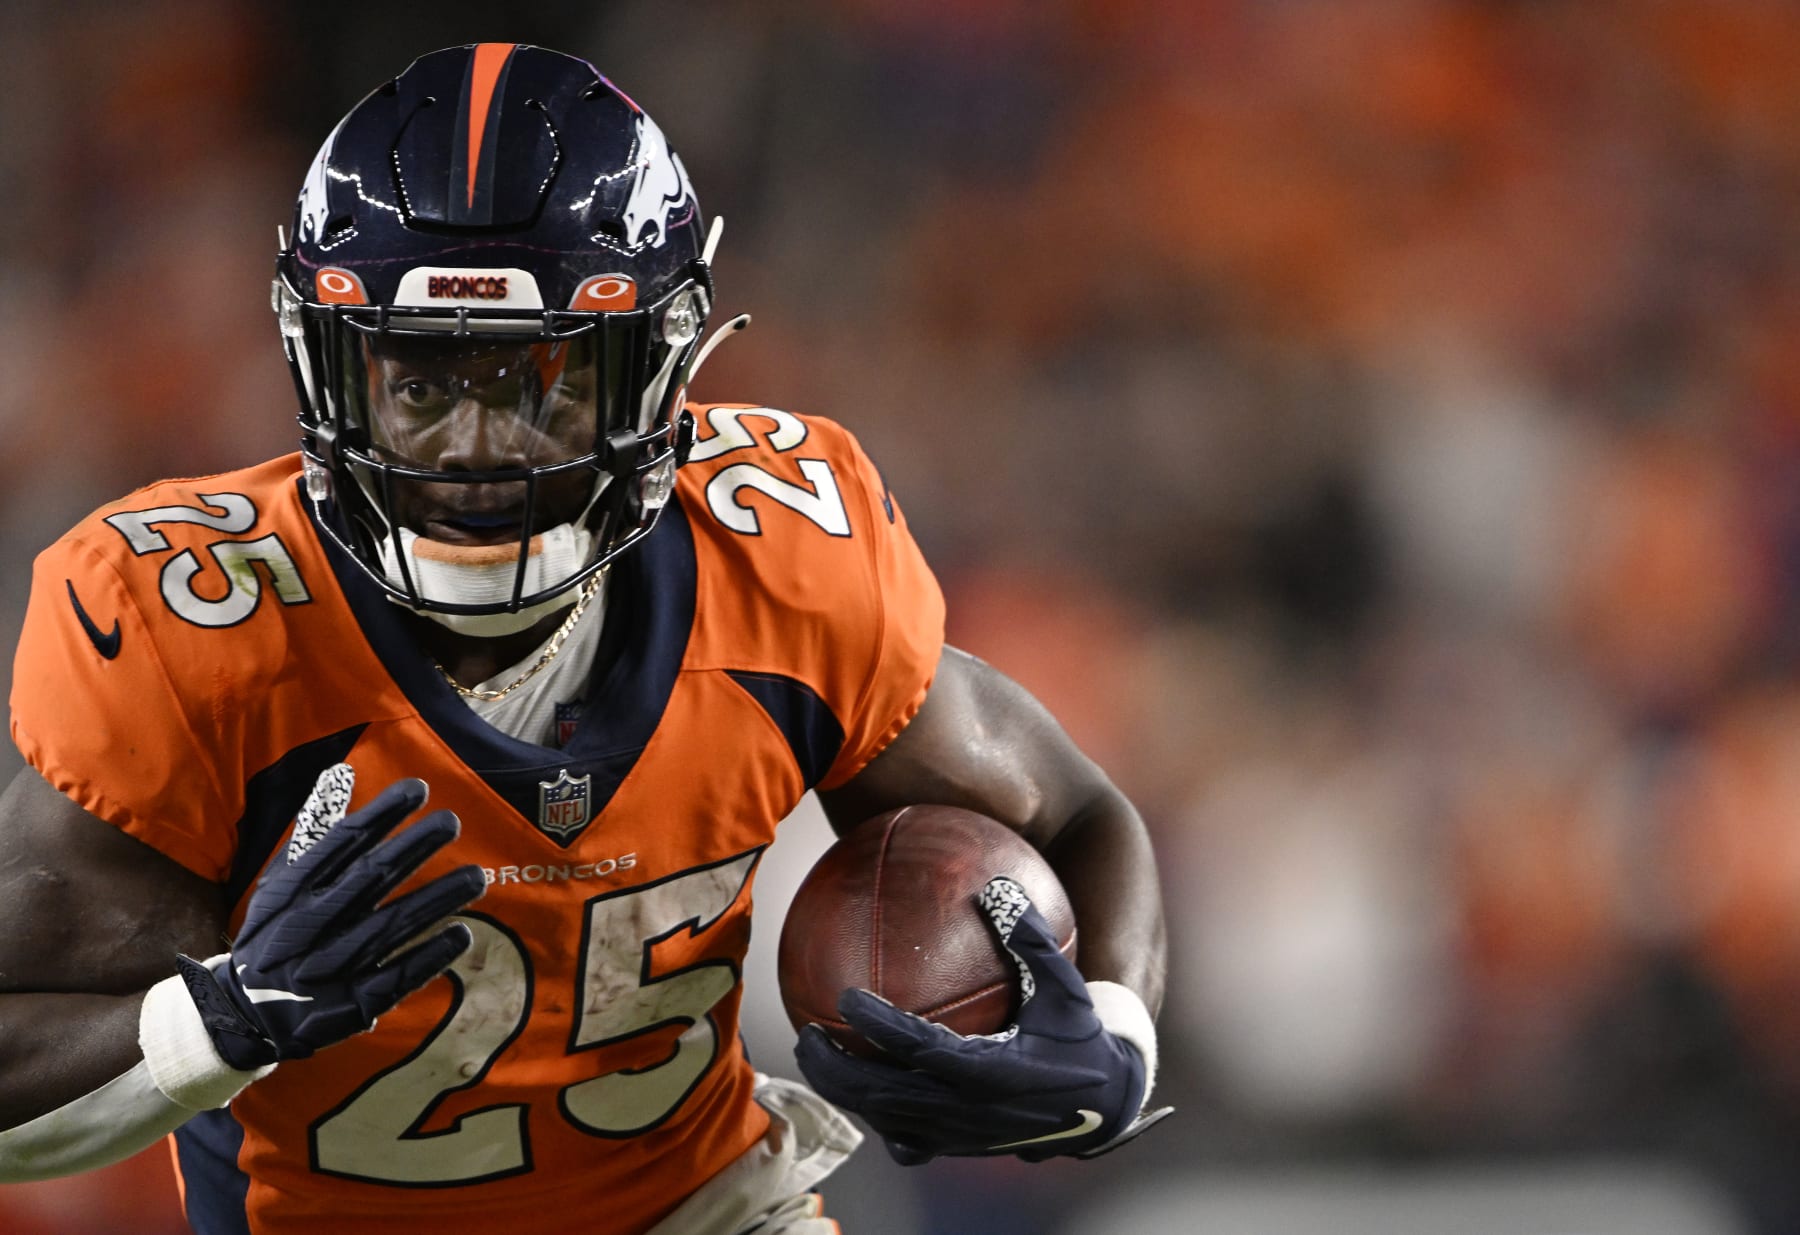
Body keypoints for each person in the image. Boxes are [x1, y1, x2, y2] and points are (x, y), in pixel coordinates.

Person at [0, 43, 1169, 1235]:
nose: (472, 444)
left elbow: (1075, 814)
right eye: (420, 385)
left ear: (660, 369)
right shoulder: (191, 630)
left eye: (538, 380)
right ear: (330, 364)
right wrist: (225, 1018)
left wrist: (1114, 1037)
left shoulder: (785, 563)